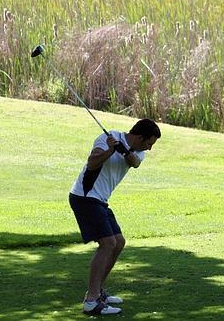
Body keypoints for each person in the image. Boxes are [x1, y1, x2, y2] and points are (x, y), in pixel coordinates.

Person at [69, 118, 161, 315]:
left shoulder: (138, 152)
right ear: (138, 137)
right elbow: (92, 163)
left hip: (100, 201)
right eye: (148, 143)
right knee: (108, 243)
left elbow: (134, 162)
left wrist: (124, 150)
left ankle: (96, 292)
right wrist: (110, 150)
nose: (149, 148)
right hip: (84, 197)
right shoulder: (106, 138)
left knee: (118, 242)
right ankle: (91, 302)